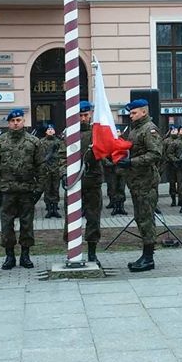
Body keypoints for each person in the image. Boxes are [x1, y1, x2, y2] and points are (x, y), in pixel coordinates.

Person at [0, 108, 45, 270]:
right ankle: (9, 256)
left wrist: (39, 190)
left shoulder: (34, 142)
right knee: (7, 225)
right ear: (8, 123)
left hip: (27, 191)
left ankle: (25, 255)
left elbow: (41, 167)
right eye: (13, 121)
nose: (15, 123)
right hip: (6, 191)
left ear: (23, 121)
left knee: (26, 224)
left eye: (18, 120)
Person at [116, 99, 162, 272]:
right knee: (141, 218)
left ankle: (148, 258)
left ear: (144, 112)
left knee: (146, 219)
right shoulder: (135, 129)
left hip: (146, 181)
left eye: (134, 112)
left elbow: (155, 154)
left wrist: (131, 162)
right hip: (137, 181)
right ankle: (145, 255)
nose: (131, 115)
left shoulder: (149, 129)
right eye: (130, 112)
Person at [77, 101, 104, 262]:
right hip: (74, 183)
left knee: (93, 218)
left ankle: (92, 252)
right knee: (71, 219)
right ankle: (73, 251)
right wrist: (63, 174)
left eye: (85, 115)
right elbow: (61, 157)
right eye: (80, 116)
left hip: (93, 181)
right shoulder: (69, 134)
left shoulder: (97, 133)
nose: (83, 119)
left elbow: (105, 155)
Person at [40, 123, 66, 219]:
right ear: (46, 131)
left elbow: (62, 155)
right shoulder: (41, 142)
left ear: (54, 131)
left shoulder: (59, 142)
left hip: (56, 168)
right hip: (46, 169)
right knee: (47, 189)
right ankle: (49, 208)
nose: (50, 130)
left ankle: (55, 208)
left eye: (52, 129)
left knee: (55, 188)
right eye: (48, 129)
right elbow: (40, 156)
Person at [163, 125, 178, 206]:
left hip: (180, 165)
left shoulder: (180, 140)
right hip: (170, 164)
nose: (174, 131)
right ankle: (173, 200)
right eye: (172, 130)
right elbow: (164, 152)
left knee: (181, 183)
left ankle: (181, 200)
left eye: (175, 130)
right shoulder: (166, 141)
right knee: (172, 183)